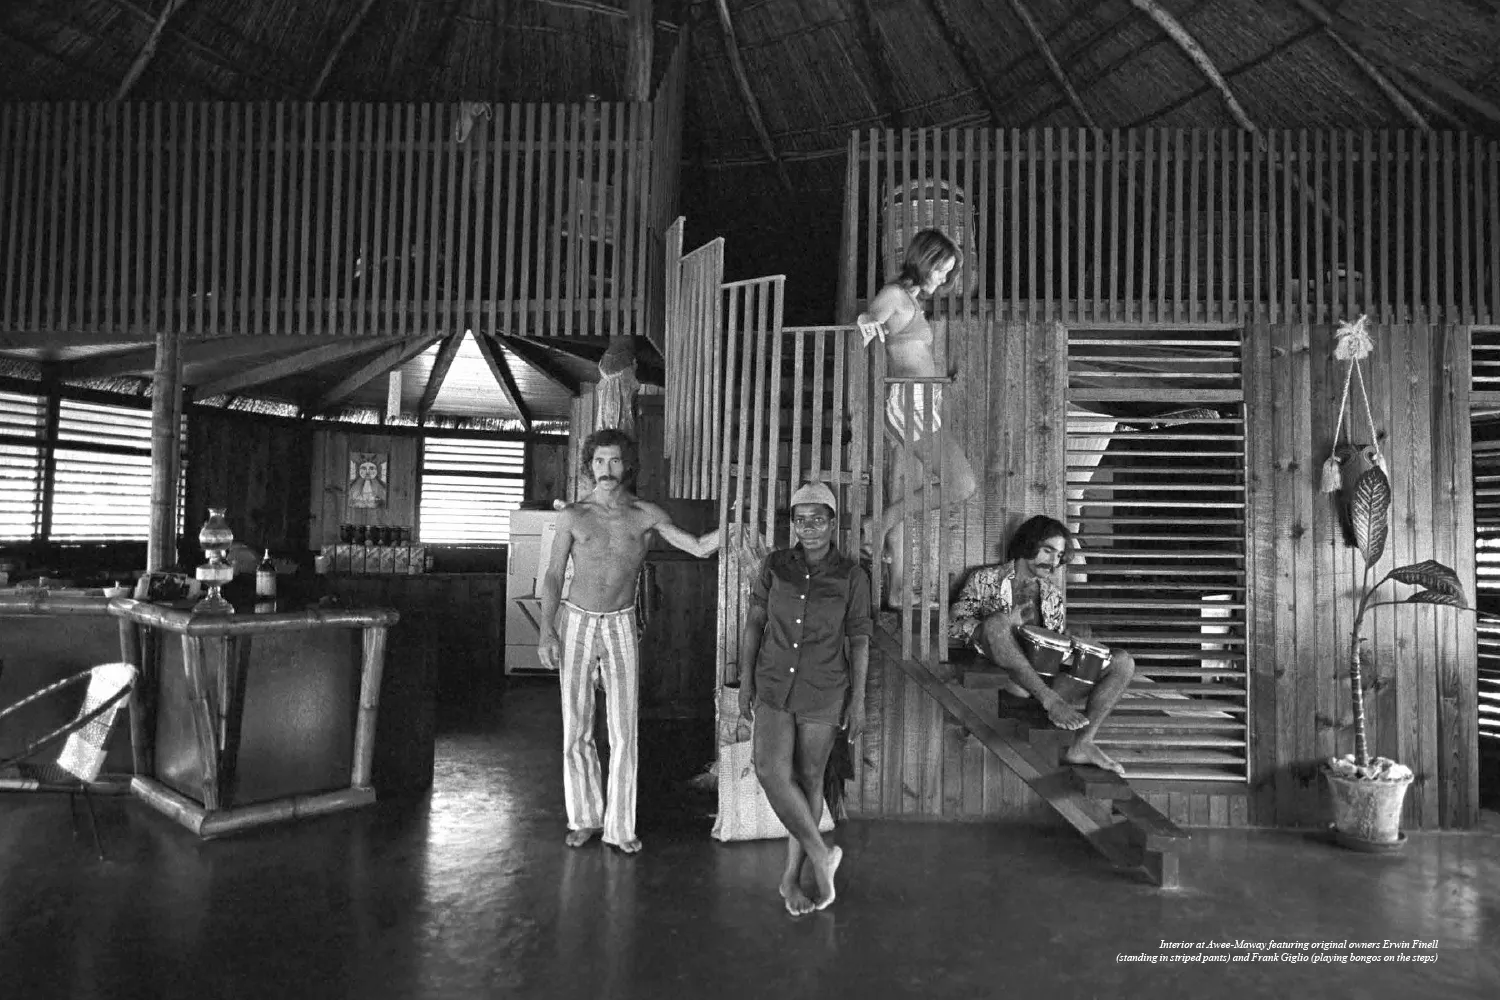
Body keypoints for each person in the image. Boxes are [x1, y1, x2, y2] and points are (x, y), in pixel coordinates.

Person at [538, 428, 721, 854]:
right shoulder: (573, 516)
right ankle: (584, 818)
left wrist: (732, 528)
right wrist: (547, 629)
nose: (607, 469)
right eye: (600, 461)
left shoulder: (645, 515)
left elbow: (695, 547)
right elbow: (551, 575)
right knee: (577, 727)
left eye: (615, 461)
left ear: (627, 466)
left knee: (623, 730)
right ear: (589, 466)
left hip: (621, 624)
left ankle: (620, 828)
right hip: (577, 622)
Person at [737, 482, 871, 915]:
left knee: (810, 778)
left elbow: (860, 640)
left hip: (825, 687)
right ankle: (820, 854)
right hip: (774, 682)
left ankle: (791, 880)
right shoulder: (776, 565)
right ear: (791, 523)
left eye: (818, 519)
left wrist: (859, 700)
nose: (808, 528)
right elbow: (755, 622)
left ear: (833, 522)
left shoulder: (851, 576)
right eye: (800, 519)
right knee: (770, 770)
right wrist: (745, 680)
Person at [949, 515, 1136, 775]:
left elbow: (1052, 647)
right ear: (1028, 544)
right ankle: (1052, 702)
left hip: (1047, 684)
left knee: (1123, 661)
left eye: (1059, 555)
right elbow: (953, 624)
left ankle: (1082, 743)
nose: (1054, 561)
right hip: (1009, 683)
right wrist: (1004, 624)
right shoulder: (985, 580)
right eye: (1048, 551)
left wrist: (1073, 640)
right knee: (996, 624)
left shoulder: (1052, 595)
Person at [856, 229, 978, 602]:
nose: (943, 278)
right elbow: (867, 318)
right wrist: (866, 322)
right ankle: (878, 523)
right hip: (909, 405)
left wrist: (940, 378)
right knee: (961, 485)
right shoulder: (895, 294)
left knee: (900, 494)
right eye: (941, 269)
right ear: (924, 259)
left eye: (948, 272)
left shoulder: (912, 300)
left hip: (923, 402)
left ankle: (895, 591)